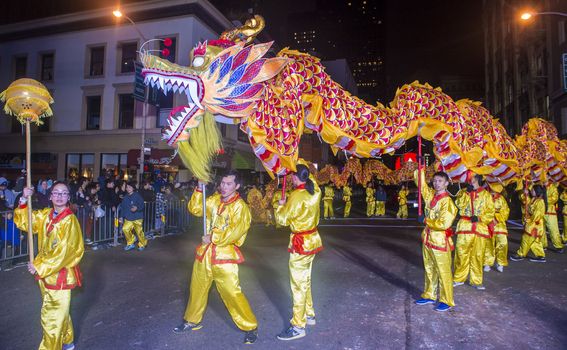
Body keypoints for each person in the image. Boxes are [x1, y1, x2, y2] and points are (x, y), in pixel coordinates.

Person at [174, 170, 258, 344]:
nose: (224, 187)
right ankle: (191, 320)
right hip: (204, 254)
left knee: (232, 293)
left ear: (237, 186)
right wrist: (199, 187)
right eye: (222, 183)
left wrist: (213, 237)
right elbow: (195, 209)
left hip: (224, 257)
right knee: (196, 289)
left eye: (229, 184)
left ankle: (250, 326)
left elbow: (236, 231)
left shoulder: (240, 207)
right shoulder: (214, 200)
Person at [15, 182, 84, 350]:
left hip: (59, 277)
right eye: (56, 192)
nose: (59, 196)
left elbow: (65, 251)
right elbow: (27, 223)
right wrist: (24, 199)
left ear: (68, 197)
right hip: (45, 274)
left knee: (51, 317)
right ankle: (67, 341)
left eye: (64, 193)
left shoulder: (70, 221)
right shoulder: (47, 214)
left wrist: (40, 266)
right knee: (59, 311)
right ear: (50, 196)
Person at [275, 164, 322, 341]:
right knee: (306, 279)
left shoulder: (296, 196)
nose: (291, 178)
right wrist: (295, 161)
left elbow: (282, 220)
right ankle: (309, 314)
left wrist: (280, 206)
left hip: (301, 244)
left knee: (298, 285)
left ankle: (298, 325)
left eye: (292, 176)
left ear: (295, 178)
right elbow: (312, 180)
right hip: (313, 241)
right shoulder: (315, 190)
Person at [413, 170, 457, 312]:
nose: (436, 183)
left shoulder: (447, 202)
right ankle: (430, 294)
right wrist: (419, 170)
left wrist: (426, 220)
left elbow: (444, 223)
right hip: (427, 239)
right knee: (429, 269)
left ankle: (446, 299)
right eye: (435, 181)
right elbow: (422, 186)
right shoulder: (431, 196)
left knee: (443, 272)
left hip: (440, 242)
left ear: (446, 183)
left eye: (440, 181)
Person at [453, 174, 495, 290]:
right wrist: (466, 193)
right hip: (465, 227)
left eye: (471, 178)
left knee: (477, 255)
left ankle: (476, 281)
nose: (469, 179)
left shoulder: (486, 195)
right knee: (461, 254)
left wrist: (480, 218)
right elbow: (458, 204)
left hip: (479, 228)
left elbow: (491, 211)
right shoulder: (464, 192)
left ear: (476, 179)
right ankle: (458, 278)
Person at [510, 185, 547, 262]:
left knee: (526, 239)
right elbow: (525, 203)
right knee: (535, 241)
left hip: (534, 225)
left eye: (533, 190)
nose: (531, 191)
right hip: (533, 224)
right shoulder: (534, 199)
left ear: (537, 192)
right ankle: (540, 256)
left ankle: (521, 254)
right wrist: (525, 194)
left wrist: (529, 220)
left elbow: (538, 214)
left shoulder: (540, 202)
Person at [483, 188, 510, 273]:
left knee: (503, 243)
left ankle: (500, 262)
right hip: (488, 224)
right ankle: (487, 263)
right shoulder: (485, 197)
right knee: (488, 244)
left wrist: (497, 219)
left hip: (500, 225)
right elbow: (481, 210)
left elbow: (506, 211)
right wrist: (489, 219)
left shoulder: (501, 198)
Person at [118, 181, 147, 251]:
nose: (128, 188)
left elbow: (142, 205)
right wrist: (121, 217)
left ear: (133, 188)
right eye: (127, 187)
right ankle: (131, 243)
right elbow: (122, 208)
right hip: (128, 218)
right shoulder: (125, 197)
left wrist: (137, 208)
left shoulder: (137, 195)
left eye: (130, 187)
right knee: (125, 229)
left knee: (139, 232)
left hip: (137, 217)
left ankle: (142, 244)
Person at [544, 182, 564, 253]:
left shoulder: (552, 187)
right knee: (540, 230)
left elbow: (554, 198)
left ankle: (558, 246)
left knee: (553, 229)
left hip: (550, 212)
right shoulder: (537, 185)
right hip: (539, 211)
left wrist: (543, 199)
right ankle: (543, 245)